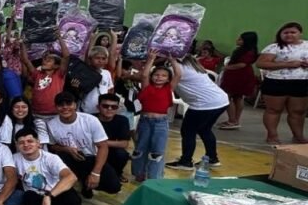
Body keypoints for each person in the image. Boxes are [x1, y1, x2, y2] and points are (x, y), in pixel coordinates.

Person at [14, 128, 93, 205]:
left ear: (38, 143)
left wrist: (49, 196)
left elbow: (71, 177)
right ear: (17, 146)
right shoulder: (14, 159)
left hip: (58, 204)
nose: (26, 145)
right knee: (29, 196)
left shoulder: (50, 158)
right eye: (21, 142)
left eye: (30, 141)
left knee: (70, 194)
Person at [46, 91, 121, 197]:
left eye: (69, 103)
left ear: (75, 105)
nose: (65, 107)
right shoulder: (51, 124)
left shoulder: (90, 120)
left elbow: (103, 147)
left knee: (114, 186)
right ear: (56, 107)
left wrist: (95, 173)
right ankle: (71, 187)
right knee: (59, 160)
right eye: (60, 105)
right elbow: (52, 146)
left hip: (90, 158)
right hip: (68, 159)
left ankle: (87, 183)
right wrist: (67, 149)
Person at [166, 56, 230, 170]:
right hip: (221, 101)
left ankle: (186, 161)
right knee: (204, 129)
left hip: (203, 104)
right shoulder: (191, 65)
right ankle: (212, 158)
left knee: (188, 131)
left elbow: (156, 78)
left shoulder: (176, 68)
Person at [255, 22, 308, 144]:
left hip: (301, 82)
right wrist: (288, 64)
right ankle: (272, 135)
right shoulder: (274, 47)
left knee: (298, 112)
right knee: (274, 110)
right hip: (276, 82)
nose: (289, 35)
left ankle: (298, 136)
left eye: (293, 32)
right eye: (286, 32)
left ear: (300, 33)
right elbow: (261, 63)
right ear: (281, 34)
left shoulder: (307, 45)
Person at [132, 52, 179, 181]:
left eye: (163, 76)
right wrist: (151, 59)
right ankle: (139, 173)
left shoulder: (168, 89)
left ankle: (154, 176)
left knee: (157, 150)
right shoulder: (147, 87)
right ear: (152, 76)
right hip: (145, 121)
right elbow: (144, 74)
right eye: (156, 75)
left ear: (168, 79)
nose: (159, 77)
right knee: (140, 147)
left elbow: (178, 74)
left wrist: (173, 60)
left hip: (161, 123)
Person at [20, 35, 71, 120]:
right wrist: (23, 43)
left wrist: (59, 37)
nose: (44, 62)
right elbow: (25, 60)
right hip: (36, 114)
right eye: (44, 60)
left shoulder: (59, 74)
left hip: (54, 114)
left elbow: (66, 56)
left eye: (49, 61)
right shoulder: (37, 74)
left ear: (56, 66)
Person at [218, 32, 259, 130]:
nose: (237, 40)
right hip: (238, 75)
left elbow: (242, 64)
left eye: (240, 39)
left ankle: (232, 120)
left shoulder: (248, 52)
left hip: (238, 76)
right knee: (237, 97)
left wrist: (227, 67)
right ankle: (234, 120)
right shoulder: (243, 50)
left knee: (227, 96)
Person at [94, 93, 131, 183]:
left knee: (122, 154)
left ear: (117, 108)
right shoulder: (90, 119)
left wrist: (101, 143)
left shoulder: (122, 120)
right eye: (105, 106)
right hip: (92, 150)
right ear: (98, 107)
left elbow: (124, 143)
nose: (109, 109)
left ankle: (117, 174)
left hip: (110, 150)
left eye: (114, 107)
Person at [79, 41, 117, 115]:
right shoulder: (84, 72)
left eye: (103, 58)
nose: (100, 61)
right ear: (90, 59)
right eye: (97, 58)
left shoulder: (106, 73)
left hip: (102, 111)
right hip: (85, 110)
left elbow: (110, 90)